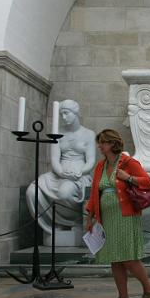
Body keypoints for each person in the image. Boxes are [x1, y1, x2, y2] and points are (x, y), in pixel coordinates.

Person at [85, 129, 150, 298]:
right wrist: (90, 217)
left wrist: (129, 178)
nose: (99, 146)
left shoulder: (128, 162)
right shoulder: (100, 166)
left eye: (102, 142)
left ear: (111, 144)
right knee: (115, 259)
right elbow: (95, 193)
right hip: (107, 217)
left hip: (125, 216)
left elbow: (147, 182)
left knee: (128, 257)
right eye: (99, 143)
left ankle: (149, 289)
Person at [26, 100, 95, 238]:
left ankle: (73, 222)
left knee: (65, 192)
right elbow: (55, 160)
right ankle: (52, 224)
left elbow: (91, 160)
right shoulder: (57, 134)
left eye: (66, 113)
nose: (63, 117)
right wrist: (62, 173)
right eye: (61, 114)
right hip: (59, 173)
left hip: (79, 174)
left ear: (75, 113)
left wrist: (80, 172)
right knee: (32, 192)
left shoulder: (88, 134)